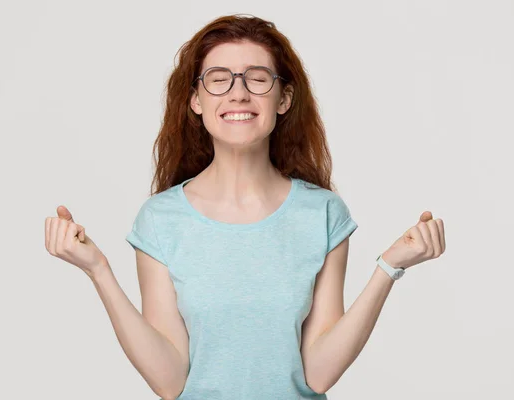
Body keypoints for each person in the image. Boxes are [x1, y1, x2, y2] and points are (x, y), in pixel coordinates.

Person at [44, 14, 446, 400]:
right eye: (219, 80)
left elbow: (318, 373)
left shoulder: (322, 214)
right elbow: (169, 382)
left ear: (284, 98)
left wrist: (390, 266)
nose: (238, 92)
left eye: (257, 79)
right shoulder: (160, 220)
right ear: (196, 101)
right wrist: (97, 269)